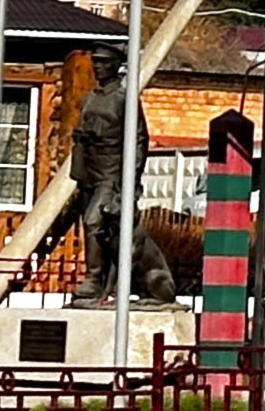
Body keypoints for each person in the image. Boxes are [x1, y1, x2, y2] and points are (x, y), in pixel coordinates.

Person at [49, 48, 176, 305]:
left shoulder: (124, 99)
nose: (98, 67)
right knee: (94, 228)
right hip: (89, 170)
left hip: (111, 171)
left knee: (94, 220)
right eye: (95, 61)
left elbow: (139, 139)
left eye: (104, 62)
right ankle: (100, 282)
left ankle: (94, 278)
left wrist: (131, 177)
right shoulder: (90, 98)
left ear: (117, 65)